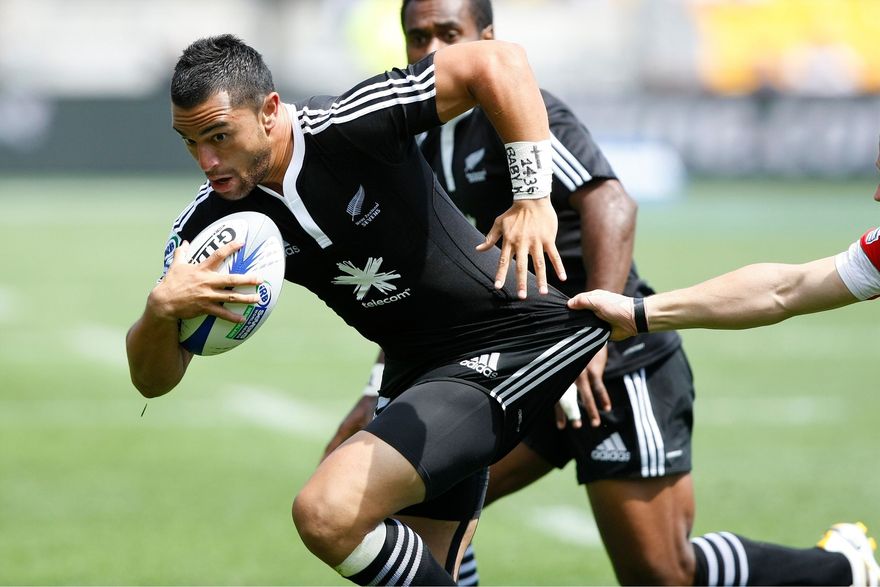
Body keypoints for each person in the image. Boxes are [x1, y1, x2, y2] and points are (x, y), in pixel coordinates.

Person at [322, 1, 879, 586]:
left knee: (661, 573)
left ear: (486, 38)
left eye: (449, 33)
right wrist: (377, 389)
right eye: (419, 37)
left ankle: (843, 570)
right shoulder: (420, 140)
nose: (433, 50)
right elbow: (429, 281)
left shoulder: (518, 112)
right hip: (524, 363)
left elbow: (612, 204)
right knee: (413, 506)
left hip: (611, 363)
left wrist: (599, 343)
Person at [125, 34, 612, 586]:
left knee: (326, 512)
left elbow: (498, 61)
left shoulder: (347, 126)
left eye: (219, 136)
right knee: (423, 569)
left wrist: (533, 198)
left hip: (512, 339)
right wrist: (160, 310)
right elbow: (153, 382)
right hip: (417, 375)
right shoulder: (212, 223)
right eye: (190, 142)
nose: (207, 162)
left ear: (269, 111)